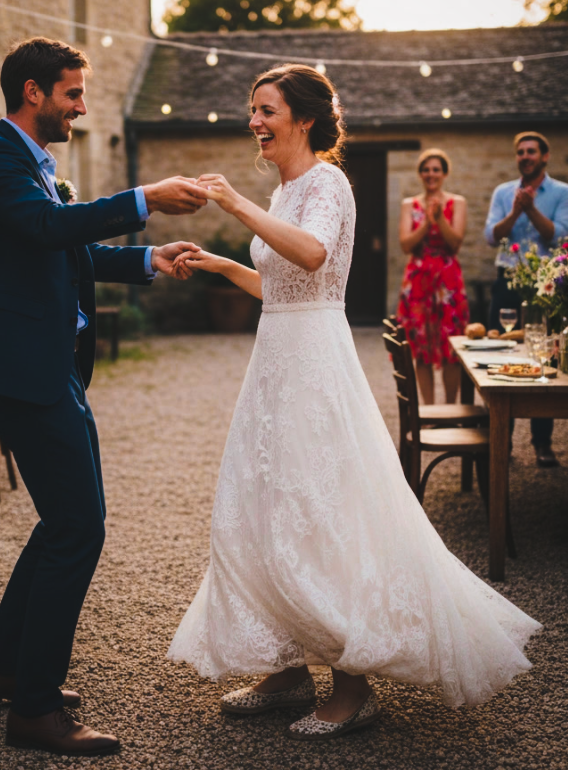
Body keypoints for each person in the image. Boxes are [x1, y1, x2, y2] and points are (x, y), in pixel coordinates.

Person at [167, 64, 541, 742]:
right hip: (274, 362)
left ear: (302, 119)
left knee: (320, 510)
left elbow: (312, 257)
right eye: (252, 110)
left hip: (315, 365)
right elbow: (280, 285)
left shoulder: (327, 182)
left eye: (266, 110)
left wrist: (234, 207)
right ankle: (284, 669)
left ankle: (352, 683)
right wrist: (224, 266)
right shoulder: (282, 191)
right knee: (265, 506)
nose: (255, 122)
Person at [0, 37, 207, 756]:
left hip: (50, 366)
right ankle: (34, 709)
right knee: (78, 527)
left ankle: (4, 669)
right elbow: (46, 226)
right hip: (22, 371)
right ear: (33, 93)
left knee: (62, 522)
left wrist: (149, 259)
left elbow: (67, 248)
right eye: (72, 93)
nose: (81, 106)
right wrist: (142, 200)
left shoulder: (34, 165)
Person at [485, 131, 568, 468]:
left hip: (547, 284)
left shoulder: (562, 192)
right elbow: (491, 236)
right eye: (520, 151)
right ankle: (501, 440)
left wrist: (531, 209)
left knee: (544, 357)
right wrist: (516, 211)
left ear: (545, 156)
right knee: (500, 350)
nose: (525, 156)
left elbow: (559, 234)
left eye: (531, 151)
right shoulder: (503, 193)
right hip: (507, 281)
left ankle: (542, 443)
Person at [395, 149, 468, 405]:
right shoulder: (409, 205)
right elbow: (405, 245)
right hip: (418, 281)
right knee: (421, 348)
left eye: (436, 169)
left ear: (444, 173)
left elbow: (455, 243)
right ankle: (428, 410)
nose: (431, 174)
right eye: (426, 169)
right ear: (420, 174)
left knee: (450, 346)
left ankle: (450, 408)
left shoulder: (457, 202)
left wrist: (440, 220)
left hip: (447, 282)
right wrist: (426, 223)